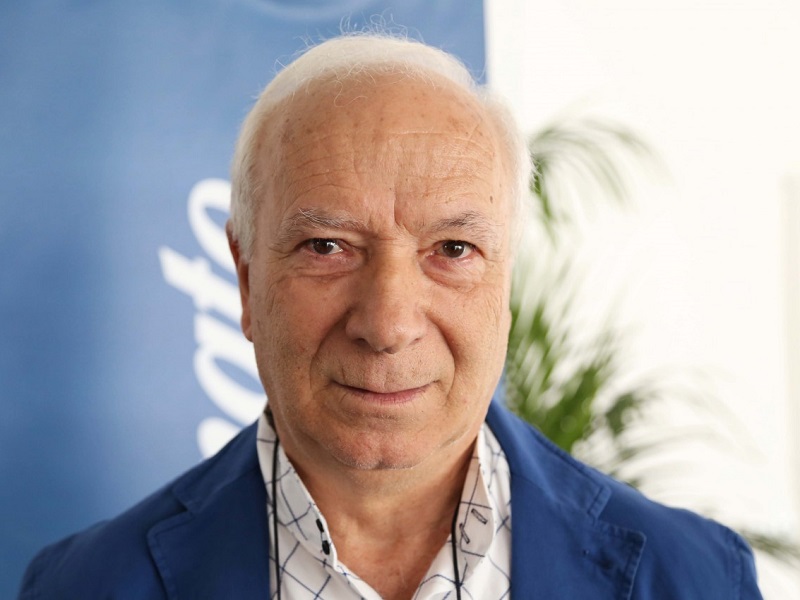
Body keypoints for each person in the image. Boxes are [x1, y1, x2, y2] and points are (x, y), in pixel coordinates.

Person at [19, 34, 762, 599]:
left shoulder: (695, 578)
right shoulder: (82, 586)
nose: (388, 324)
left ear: (504, 280)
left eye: (453, 249)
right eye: (327, 246)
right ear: (246, 281)